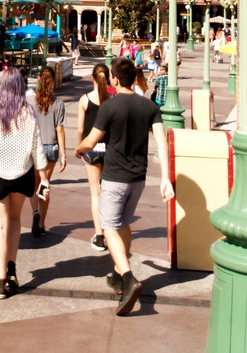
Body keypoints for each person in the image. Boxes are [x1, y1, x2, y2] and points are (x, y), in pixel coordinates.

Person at [76, 56, 174, 317]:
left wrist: (79, 147)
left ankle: (129, 278)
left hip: (116, 176)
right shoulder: (149, 106)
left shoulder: (110, 106)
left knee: (108, 227)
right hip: (138, 178)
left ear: (115, 79)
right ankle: (118, 274)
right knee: (124, 223)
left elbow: (92, 140)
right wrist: (165, 178)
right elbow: (162, 143)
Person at [0, 67, 50, 299]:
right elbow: (38, 149)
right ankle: (12, 268)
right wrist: (44, 178)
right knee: (15, 220)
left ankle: (0, 280)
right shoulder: (28, 112)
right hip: (21, 171)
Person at [27, 67, 66, 238]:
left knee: (34, 185)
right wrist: (63, 154)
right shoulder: (58, 103)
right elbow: (60, 130)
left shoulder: (29, 101)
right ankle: (42, 223)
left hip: (34, 146)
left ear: (38, 79)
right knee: (45, 184)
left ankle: (35, 211)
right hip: (51, 147)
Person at [77, 62, 110, 252]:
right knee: (107, 192)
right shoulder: (112, 99)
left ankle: (99, 235)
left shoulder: (85, 100)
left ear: (92, 79)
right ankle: (109, 230)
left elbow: (81, 128)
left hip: (91, 148)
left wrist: (80, 146)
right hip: (109, 148)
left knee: (95, 192)